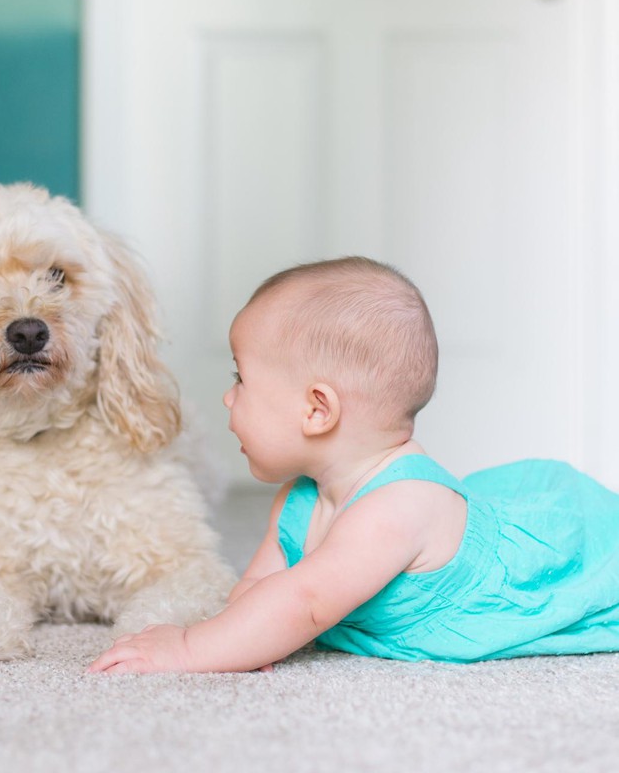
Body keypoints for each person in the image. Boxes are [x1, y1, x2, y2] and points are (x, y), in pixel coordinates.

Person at [88, 256, 619, 674]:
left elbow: (305, 603)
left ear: (318, 410)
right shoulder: (299, 498)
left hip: (544, 561)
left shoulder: (398, 507)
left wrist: (186, 649)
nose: (228, 399)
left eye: (240, 379)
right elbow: (259, 593)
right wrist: (241, 636)